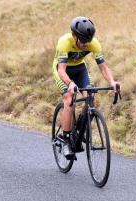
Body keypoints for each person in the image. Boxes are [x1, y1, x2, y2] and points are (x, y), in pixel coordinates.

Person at [52, 16, 119, 159]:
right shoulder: (65, 42)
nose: (86, 44)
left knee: (91, 98)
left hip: (80, 69)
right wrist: (70, 84)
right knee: (70, 99)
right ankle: (65, 140)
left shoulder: (93, 43)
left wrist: (112, 81)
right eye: (83, 40)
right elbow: (61, 70)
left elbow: (103, 68)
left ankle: (80, 127)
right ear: (74, 36)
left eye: (88, 40)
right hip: (63, 70)